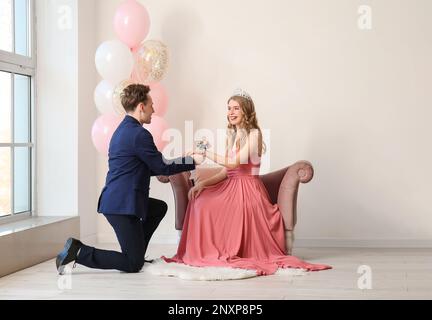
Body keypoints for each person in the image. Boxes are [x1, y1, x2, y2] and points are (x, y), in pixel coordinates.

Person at [163, 89, 331, 276]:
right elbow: (228, 171)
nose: (231, 112)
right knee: (199, 200)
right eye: (229, 108)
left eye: (236, 108)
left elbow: (235, 163)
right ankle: (203, 251)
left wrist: (204, 152)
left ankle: (216, 251)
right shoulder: (234, 137)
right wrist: (203, 184)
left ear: (246, 111)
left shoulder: (254, 135)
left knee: (206, 205)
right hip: (231, 185)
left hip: (248, 189)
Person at [56, 84, 202, 274]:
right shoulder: (139, 134)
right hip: (121, 206)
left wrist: (181, 159)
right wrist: (191, 161)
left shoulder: (125, 130)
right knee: (132, 264)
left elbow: (141, 168)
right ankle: (79, 251)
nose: (154, 110)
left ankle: (137, 251)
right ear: (141, 106)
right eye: (151, 105)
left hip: (121, 200)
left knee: (158, 208)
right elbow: (161, 167)